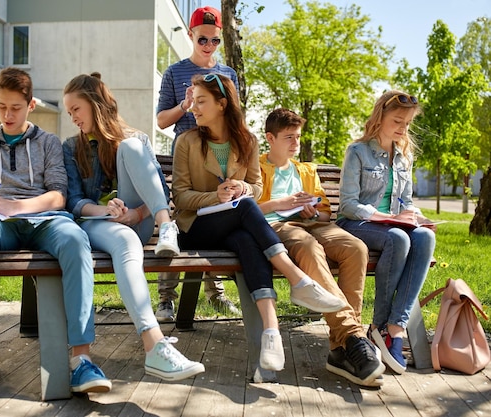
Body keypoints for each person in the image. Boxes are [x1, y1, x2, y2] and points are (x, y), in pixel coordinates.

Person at [0, 68, 110, 405]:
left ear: (31, 105)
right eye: (1, 107)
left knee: (74, 239)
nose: (8, 115)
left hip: (46, 221)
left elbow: (58, 197)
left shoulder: (49, 143)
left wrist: (15, 206)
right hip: (2, 226)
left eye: (15, 107)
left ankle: (82, 360)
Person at [171, 73, 346, 372]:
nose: (194, 108)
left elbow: (254, 186)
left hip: (235, 226)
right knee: (246, 209)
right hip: (196, 228)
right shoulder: (187, 141)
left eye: (201, 101)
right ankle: (296, 279)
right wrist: (217, 196)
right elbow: (181, 197)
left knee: (246, 239)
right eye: (194, 102)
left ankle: (271, 331)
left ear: (222, 104)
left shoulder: (247, 141)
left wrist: (241, 189)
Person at [61, 72, 205, 381]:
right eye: (69, 111)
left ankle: (167, 226)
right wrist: (106, 209)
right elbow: (73, 201)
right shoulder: (71, 148)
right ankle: (154, 346)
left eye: (76, 109)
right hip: (96, 223)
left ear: (95, 104)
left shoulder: (136, 139)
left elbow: (160, 193)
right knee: (125, 242)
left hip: (138, 221)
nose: (72, 117)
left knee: (130, 147)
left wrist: (138, 214)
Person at [256, 108, 385, 386]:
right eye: (289, 137)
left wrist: (311, 212)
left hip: (312, 224)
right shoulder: (257, 167)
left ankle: (341, 348)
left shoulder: (305, 170)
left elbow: (325, 214)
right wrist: (283, 204)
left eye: (298, 137)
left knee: (356, 248)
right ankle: (353, 338)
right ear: (270, 138)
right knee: (310, 247)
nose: (295, 143)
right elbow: (249, 209)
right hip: (277, 227)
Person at [337, 91, 437, 374]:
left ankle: (395, 327)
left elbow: (407, 201)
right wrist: (390, 218)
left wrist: (416, 217)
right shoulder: (357, 152)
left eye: (407, 123)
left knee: (425, 237)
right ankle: (380, 326)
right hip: (357, 224)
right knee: (397, 238)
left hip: (393, 225)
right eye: (397, 121)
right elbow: (349, 205)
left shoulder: (405, 156)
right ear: (380, 116)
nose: (403, 128)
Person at [155, 5, 240, 321]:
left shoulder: (228, 75)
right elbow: (162, 120)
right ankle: (166, 299)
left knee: (216, 217)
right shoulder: (175, 72)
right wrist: (185, 105)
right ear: (190, 36)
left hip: (220, 154)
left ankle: (216, 294)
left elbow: (236, 119)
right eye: (203, 39)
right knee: (181, 220)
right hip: (186, 156)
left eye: (215, 41)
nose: (209, 46)